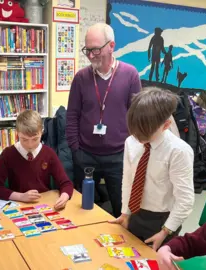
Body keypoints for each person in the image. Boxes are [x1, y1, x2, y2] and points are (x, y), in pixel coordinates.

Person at [67, 22, 141, 217]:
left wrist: (132, 150)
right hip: (85, 155)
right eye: (87, 50)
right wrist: (76, 150)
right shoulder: (81, 78)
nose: (91, 55)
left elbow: (137, 117)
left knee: (121, 209)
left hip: (119, 156)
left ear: (111, 46)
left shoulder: (130, 75)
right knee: (82, 210)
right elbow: (72, 115)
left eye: (96, 50)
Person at [110, 87, 195, 250]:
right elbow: (128, 180)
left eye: (145, 135)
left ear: (166, 125)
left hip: (163, 221)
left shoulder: (179, 151)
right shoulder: (131, 141)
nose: (139, 139)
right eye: (135, 133)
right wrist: (125, 212)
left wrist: (165, 232)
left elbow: (185, 199)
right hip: (135, 213)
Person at [0, 110, 74, 210]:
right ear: (17, 133)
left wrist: (64, 196)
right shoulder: (8, 154)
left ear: (42, 132)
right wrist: (20, 196)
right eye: (24, 139)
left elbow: (66, 183)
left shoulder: (49, 153)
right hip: (18, 206)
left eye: (35, 139)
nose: (30, 145)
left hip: (44, 205)